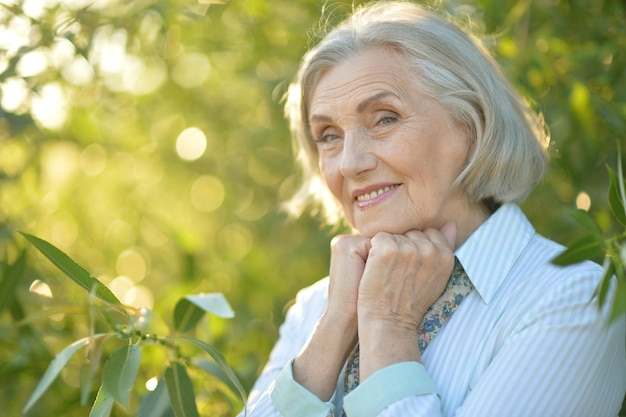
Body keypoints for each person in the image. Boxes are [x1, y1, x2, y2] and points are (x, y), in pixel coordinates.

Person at [239, 1, 626, 416]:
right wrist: (334, 327)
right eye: (329, 135)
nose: (350, 163)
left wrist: (388, 328)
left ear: (471, 124)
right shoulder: (316, 308)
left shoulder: (574, 299)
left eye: (384, 119)